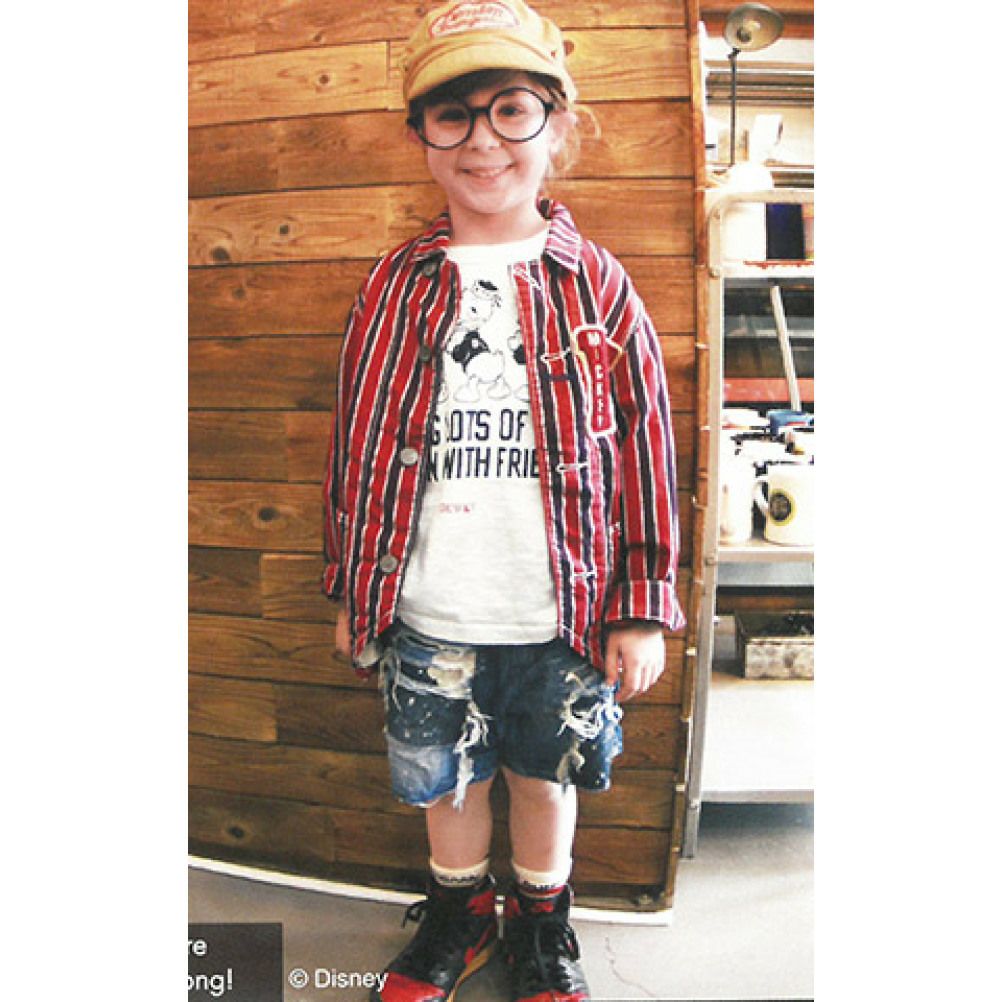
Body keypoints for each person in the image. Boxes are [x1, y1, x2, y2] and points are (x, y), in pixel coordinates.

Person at [322, 2, 685, 1000]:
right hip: (427, 607)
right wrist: (354, 586)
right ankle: (459, 916)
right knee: (444, 782)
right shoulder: (393, 286)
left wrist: (642, 604)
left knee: (545, 778)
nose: (483, 140)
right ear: (421, 136)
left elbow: (647, 451)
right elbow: (357, 442)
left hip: (564, 615)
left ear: (556, 124)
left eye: (511, 109)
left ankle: (541, 922)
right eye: (453, 115)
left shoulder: (600, 286)